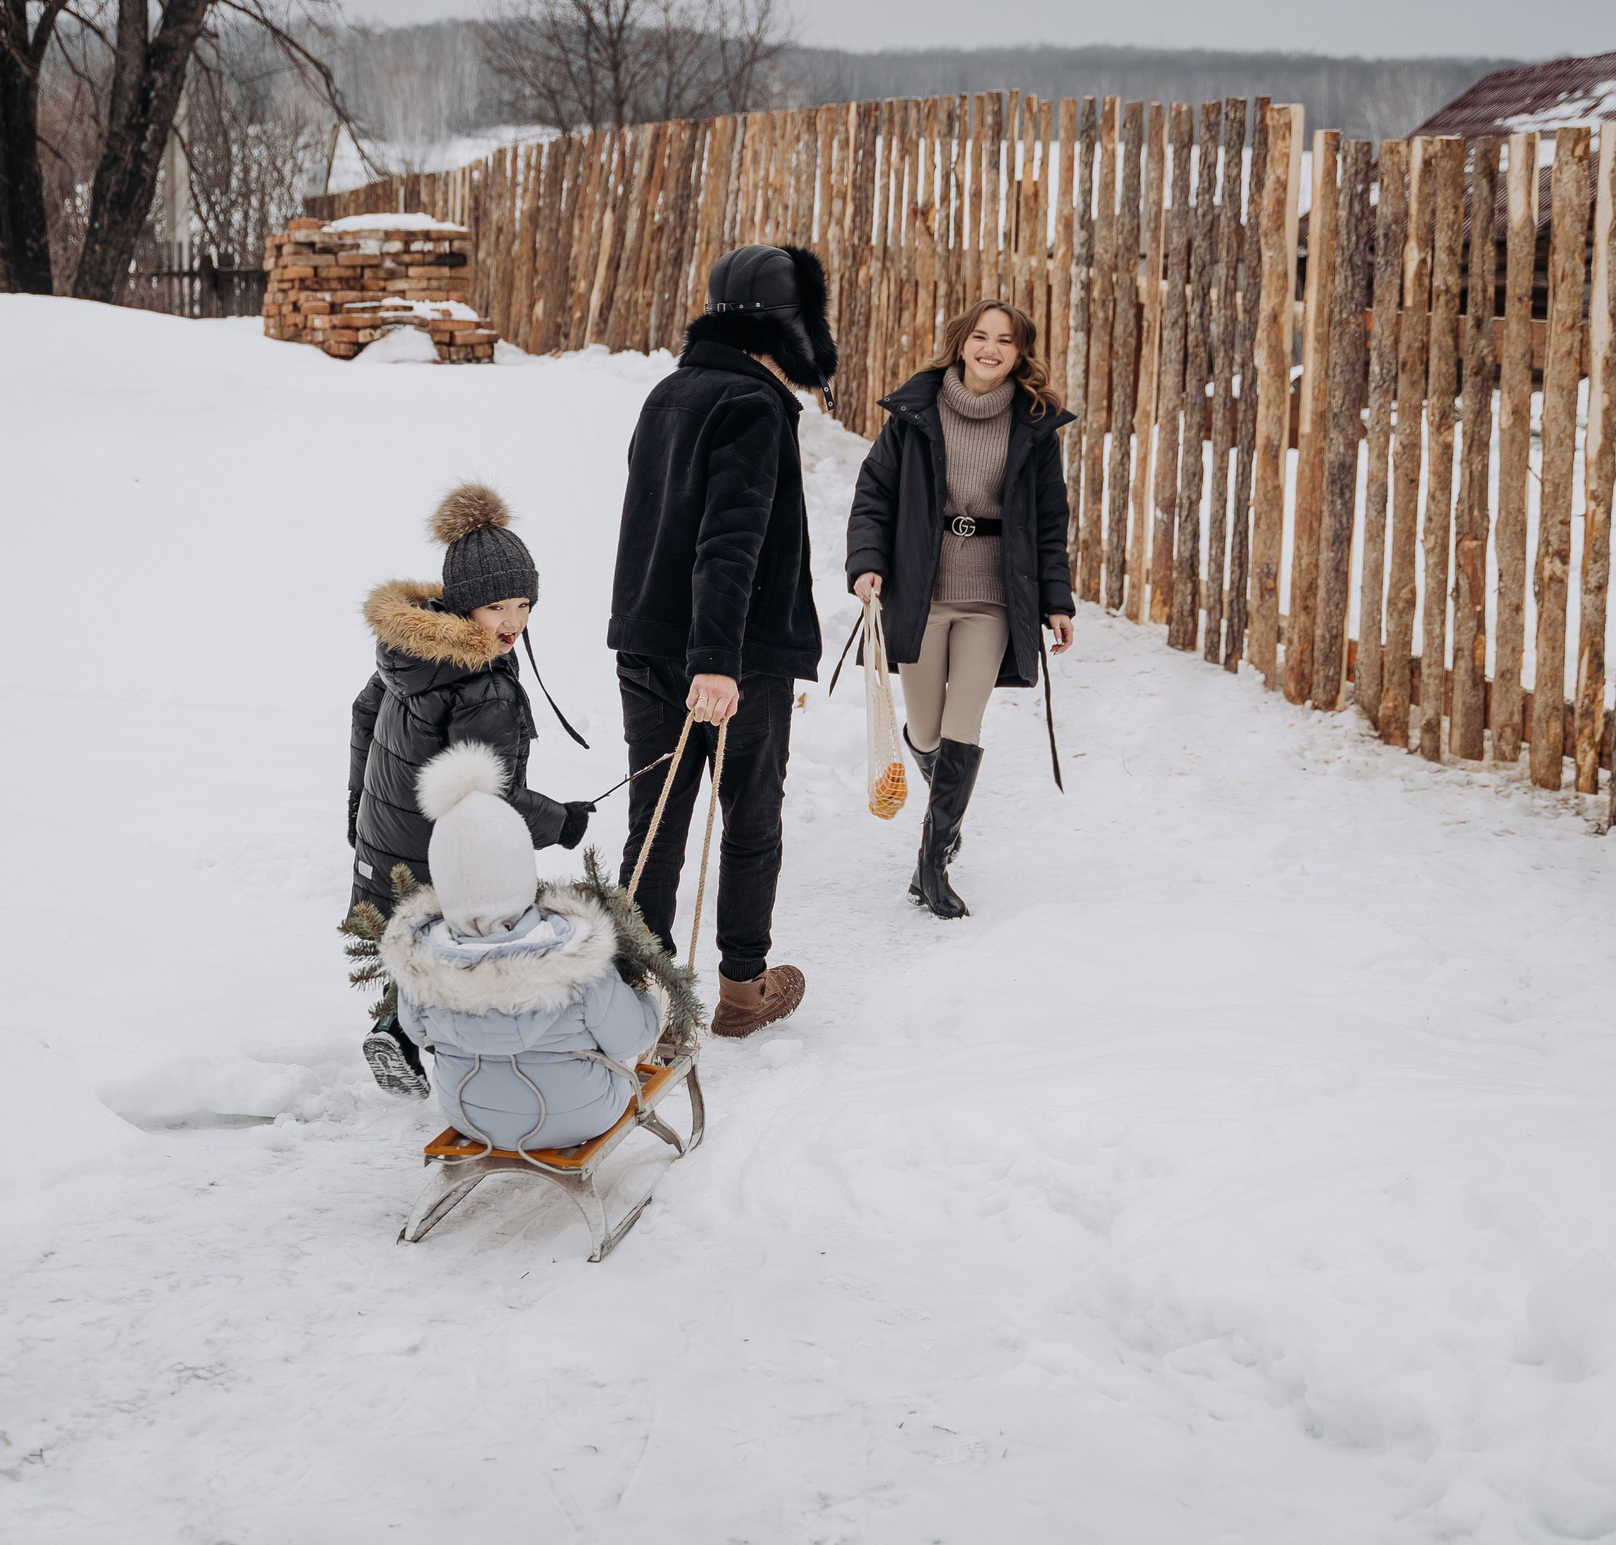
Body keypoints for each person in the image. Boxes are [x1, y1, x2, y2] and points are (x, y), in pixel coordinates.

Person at [606, 242, 831, 1038]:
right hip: (733, 654)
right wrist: (716, 661)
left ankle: (640, 993)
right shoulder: (755, 405)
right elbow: (729, 541)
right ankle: (741, 988)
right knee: (749, 816)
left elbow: (656, 521)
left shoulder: (670, 392)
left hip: (648, 639)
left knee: (656, 817)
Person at [350, 483, 592, 1098]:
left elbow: (363, 715)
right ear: (464, 608)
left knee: (412, 937)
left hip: (389, 830)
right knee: (459, 947)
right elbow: (487, 801)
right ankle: (427, 1042)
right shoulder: (480, 685)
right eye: (497, 609)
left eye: (524, 605)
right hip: (446, 845)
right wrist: (560, 822)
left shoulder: (411, 653)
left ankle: (393, 1025)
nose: (514, 622)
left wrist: (359, 809)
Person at [844, 298, 1074, 920]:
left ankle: (932, 862)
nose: (991, 348)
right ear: (961, 342)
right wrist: (867, 562)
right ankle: (946, 807)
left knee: (962, 727)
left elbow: (1050, 523)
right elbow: (873, 497)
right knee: (924, 730)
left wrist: (1056, 600)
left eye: (1006, 340)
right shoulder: (915, 412)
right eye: (981, 336)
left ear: (1020, 354)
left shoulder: (1034, 425)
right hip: (923, 590)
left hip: (993, 599)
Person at [386, 741, 669, 1151]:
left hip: (469, 1113)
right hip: (581, 1114)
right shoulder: (575, 956)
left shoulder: (420, 964)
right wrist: (649, 999)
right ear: (521, 871)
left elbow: (416, 1032)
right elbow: (629, 1040)